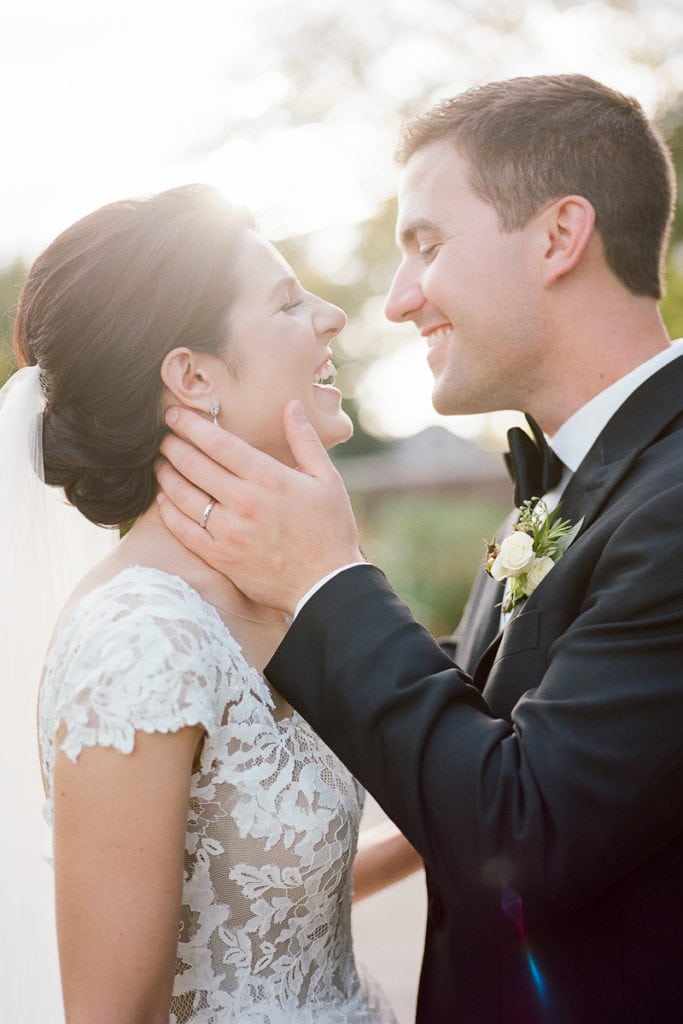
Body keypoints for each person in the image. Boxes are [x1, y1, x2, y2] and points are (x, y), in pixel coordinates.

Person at [154, 74, 683, 1023]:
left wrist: (326, 580)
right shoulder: (583, 482)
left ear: (560, 236)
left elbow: (518, 842)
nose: (396, 302)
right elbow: (486, 733)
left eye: (427, 246)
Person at [1, 184, 420, 1023]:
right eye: (287, 301)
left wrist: (466, 809)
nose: (332, 316)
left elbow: (262, 900)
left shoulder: (276, 585)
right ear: (191, 377)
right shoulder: (141, 636)